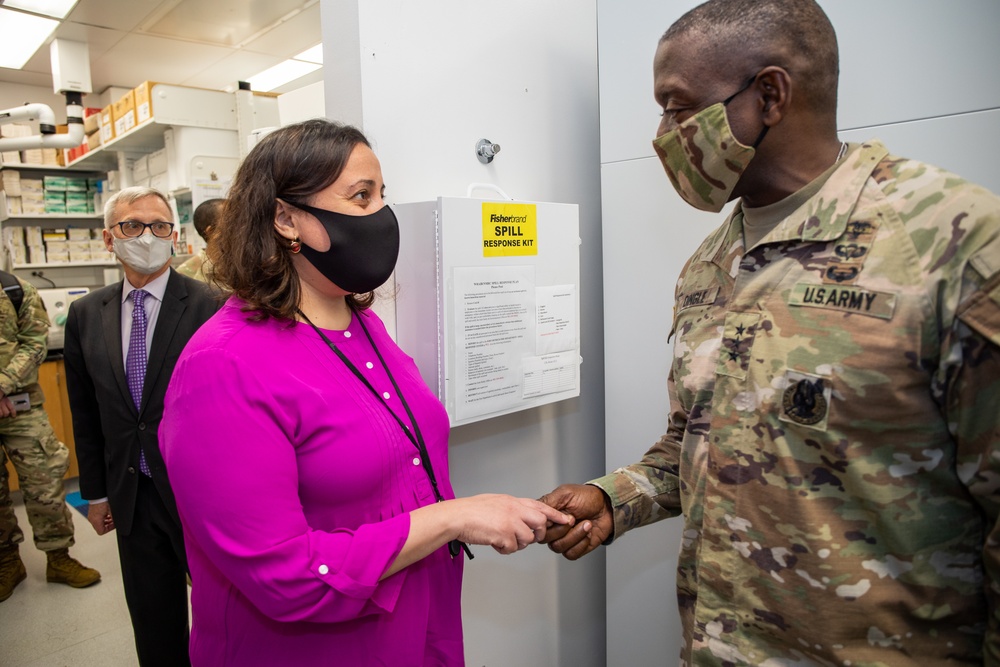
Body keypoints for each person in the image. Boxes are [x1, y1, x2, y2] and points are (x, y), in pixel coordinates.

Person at [540, 0, 1000, 664]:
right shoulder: (710, 262)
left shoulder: (948, 242)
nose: (663, 133)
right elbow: (697, 442)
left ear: (770, 95)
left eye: (677, 107)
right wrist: (617, 497)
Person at [157, 118, 573, 667]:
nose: (381, 216)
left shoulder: (362, 326)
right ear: (286, 218)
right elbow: (285, 575)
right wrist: (453, 518)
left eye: (382, 195)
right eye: (361, 196)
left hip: (413, 631)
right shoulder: (222, 366)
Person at [63, 186, 219, 666]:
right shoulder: (87, 313)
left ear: (175, 235)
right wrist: (96, 493)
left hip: (201, 494)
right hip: (133, 493)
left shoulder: (211, 306)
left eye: (160, 226)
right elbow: (85, 413)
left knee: (223, 615)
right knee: (154, 623)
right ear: (110, 239)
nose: (147, 236)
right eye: (133, 226)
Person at [0, 270, 100, 601]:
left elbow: (34, 342)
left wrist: (3, 384)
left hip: (21, 406)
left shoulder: (13, 289)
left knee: (44, 482)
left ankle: (59, 558)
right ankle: (7, 562)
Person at [175, 197, 224, 283]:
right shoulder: (185, 276)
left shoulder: (247, 268)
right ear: (212, 232)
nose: (243, 228)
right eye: (233, 222)